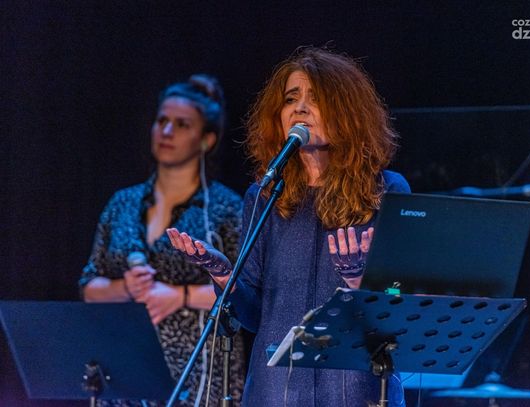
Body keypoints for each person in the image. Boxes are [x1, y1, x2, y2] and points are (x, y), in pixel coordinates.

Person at [168, 47, 410, 406]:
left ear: (347, 111)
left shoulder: (385, 191)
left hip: (355, 391)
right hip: (275, 391)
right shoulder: (266, 196)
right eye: (291, 99)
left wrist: (359, 281)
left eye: (316, 99)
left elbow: (400, 306)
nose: (300, 108)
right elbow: (252, 316)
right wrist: (223, 276)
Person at [80, 74, 245, 406]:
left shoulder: (226, 208)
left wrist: (178, 295)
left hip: (196, 372)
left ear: (207, 139)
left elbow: (244, 291)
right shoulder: (123, 203)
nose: (167, 131)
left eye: (182, 125)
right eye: (162, 121)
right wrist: (125, 288)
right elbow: (88, 286)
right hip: (125, 370)